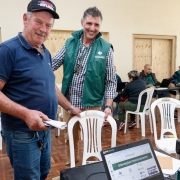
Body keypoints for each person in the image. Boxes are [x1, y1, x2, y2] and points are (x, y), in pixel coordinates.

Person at [0, 0, 81, 179]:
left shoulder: (45, 53)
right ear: (25, 19)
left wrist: (69, 107)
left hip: (45, 130)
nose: (43, 29)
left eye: (48, 25)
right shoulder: (8, 50)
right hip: (21, 133)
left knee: (43, 173)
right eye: (38, 22)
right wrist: (26, 114)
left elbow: (50, 86)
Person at [52, 7, 116, 165]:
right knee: (70, 140)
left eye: (96, 25)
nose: (92, 28)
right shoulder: (70, 43)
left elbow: (111, 80)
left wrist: (108, 106)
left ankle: (93, 170)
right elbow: (52, 64)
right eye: (89, 23)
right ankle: (72, 167)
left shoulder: (106, 49)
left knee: (93, 142)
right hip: (69, 104)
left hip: (92, 105)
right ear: (82, 22)